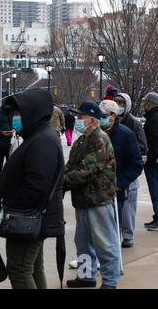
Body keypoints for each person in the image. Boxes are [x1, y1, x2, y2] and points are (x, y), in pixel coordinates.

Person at [0, 89, 65, 289]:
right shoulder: (38, 136)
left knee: (19, 270)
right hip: (32, 217)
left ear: (33, 113)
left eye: (19, 113)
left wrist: (13, 207)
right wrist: (0, 188)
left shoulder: (42, 140)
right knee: (33, 268)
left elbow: (36, 187)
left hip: (28, 217)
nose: (15, 117)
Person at [64, 101, 121, 289]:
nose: (77, 120)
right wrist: (60, 178)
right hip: (82, 200)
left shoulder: (100, 139)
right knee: (83, 242)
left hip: (98, 200)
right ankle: (86, 276)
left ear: (93, 120)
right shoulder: (81, 141)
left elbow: (87, 170)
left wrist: (61, 182)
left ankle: (110, 282)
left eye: (81, 117)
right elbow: (71, 166)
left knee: (105, 244)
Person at [99, 100, 143, 248]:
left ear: (114, 116)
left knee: (115, 226)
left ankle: (120, 245)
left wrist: (120, 183)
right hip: (96, 189)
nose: (101, 118)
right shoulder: (95, 133)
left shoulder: (126, 135)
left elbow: (136, 164)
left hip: (116, 188)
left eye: (105, 115)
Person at [113, 93, 148, 246]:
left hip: (128, 169)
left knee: (128, 207)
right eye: (116, 102)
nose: (119, 105)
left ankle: (128, 235)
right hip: (116, 170)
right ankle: (116, 233)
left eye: (121, 102)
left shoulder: (133, 123)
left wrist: (129, 149)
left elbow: (142, 146)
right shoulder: (112, 122)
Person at [141, 92, 158, 231]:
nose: (143, 104)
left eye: (145, 102)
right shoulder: (156, 117)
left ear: (149, 103)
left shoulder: (154, 119)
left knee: (156, 190)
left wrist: (150, 161)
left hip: (155, 161)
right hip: (157, 160)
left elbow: (155, 142)